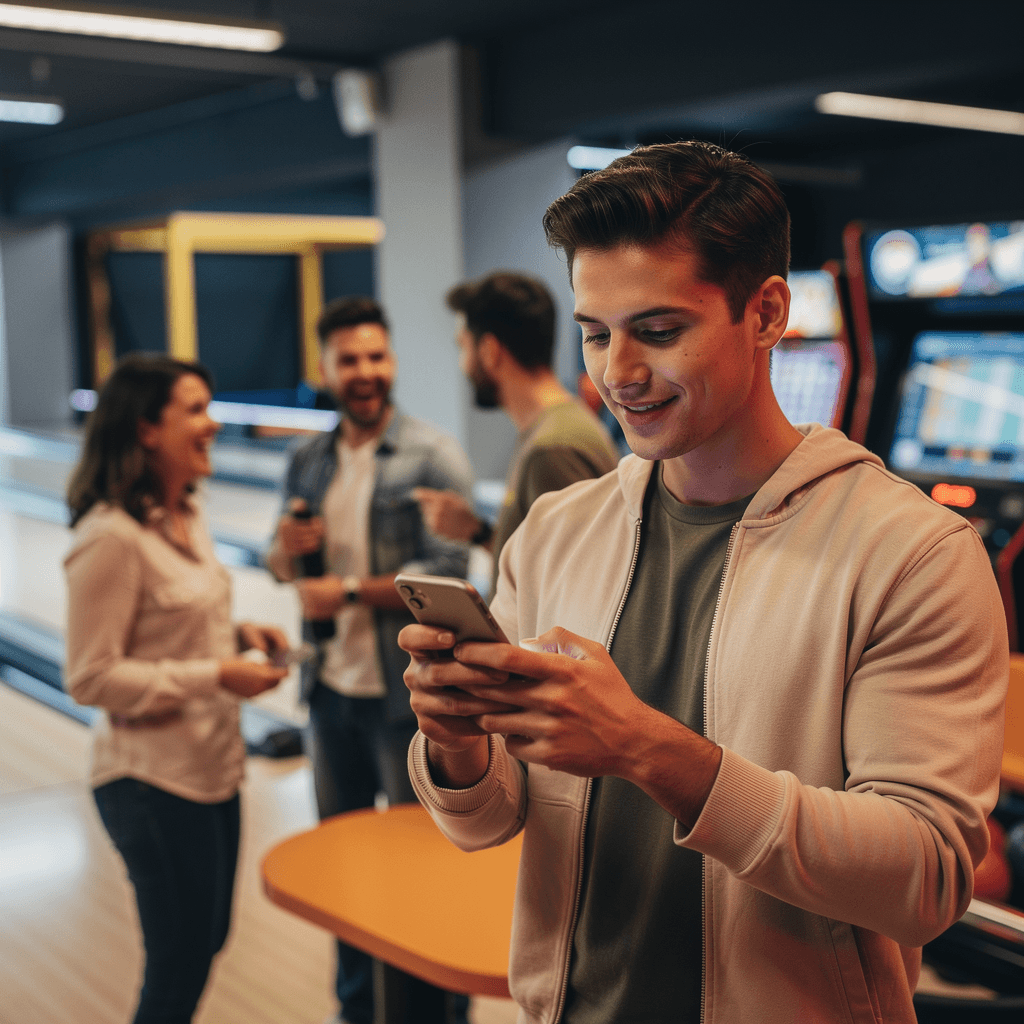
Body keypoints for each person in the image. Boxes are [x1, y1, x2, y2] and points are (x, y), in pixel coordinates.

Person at [399, 142, 1009, 1024]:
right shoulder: (557, 531)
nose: (617, 374)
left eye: (657, 331)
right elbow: (488, 820)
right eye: (596, 334)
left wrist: (652, 751)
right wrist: (456, 741)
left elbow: (928, 879)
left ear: (766, 314)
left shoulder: (912, 554)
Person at [265, 296, 474, 1024]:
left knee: (425, 867)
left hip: (403, 700)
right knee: (344, 875)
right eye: (350, 360)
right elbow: (278, 562)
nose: (366, 372)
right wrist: (285, 558)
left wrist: (349, 590)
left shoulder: (430, 452)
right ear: (325, 368)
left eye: (376, 357)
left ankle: (438, 1015)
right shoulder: (307, 459)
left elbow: (448, 575)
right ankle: (358, 1012)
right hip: (328, 694)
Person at [64, 354, 289, 1024]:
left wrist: (241, 635)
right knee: (178, 963)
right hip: (149, 783)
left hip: (212, 768)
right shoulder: (110, 538)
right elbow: (91, 675)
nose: (212, 423)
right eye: (194, 409)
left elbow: (175, 624)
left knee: (205, 942)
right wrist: (219, 673)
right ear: (146, 430)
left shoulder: (187, 513)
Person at [413, 271, 619, 594]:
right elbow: (539, 560)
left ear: (490, 351)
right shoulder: (549, 431)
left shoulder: (553, 448)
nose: (463, 363)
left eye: (463, 347)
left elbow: (575, 584)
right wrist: (477, 532)